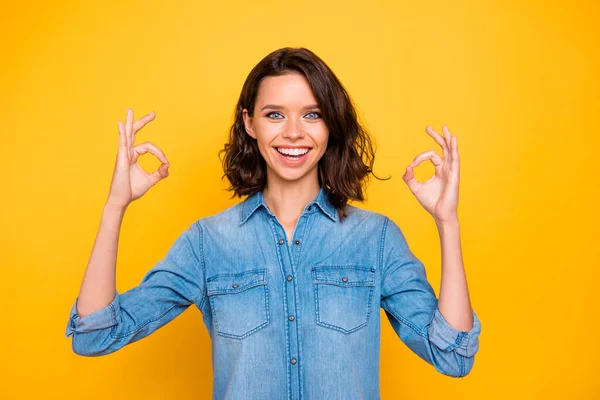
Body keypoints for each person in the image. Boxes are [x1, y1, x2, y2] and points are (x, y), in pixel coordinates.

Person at [65, 47, 481, 399]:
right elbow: (95, 335)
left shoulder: (376, 239)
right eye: (275, 115)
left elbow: (453, 356)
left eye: (312, 114)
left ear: (331, 124)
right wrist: (115, 205)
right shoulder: (208, 243)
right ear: (250, 123)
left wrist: (448, 222)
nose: (295, 133)